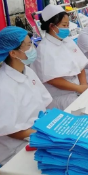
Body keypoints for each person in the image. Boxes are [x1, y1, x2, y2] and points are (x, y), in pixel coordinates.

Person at [0, 26, 52, 166]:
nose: (33, 48)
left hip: (37, 132)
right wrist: (45, 134)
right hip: (15, 150)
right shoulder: (3, 85)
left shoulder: (27, 71)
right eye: (29, 45)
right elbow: (10, 130)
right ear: (13, 53)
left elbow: (43, 103)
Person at [31, 4, 88, 110]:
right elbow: (52, 79)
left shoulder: (67, 40)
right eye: (64, 25)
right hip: (61, 97)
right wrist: (79, 88)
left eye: (68, 25)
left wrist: (84, 85)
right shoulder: (44, 49)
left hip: (78, 89)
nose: (67, 28)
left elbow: (80, 65)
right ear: (52, 26)